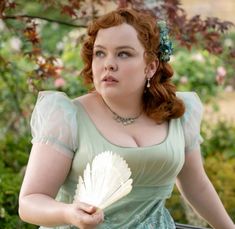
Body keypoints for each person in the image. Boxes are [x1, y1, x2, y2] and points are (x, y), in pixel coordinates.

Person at [18, 8, 235, 229]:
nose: (108, 64)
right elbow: (30, 202)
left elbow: (196, 187)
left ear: (150, 67)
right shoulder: (66, 116)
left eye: (123, 54)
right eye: (100, 53)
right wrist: (68, 213)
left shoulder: (176, 113)